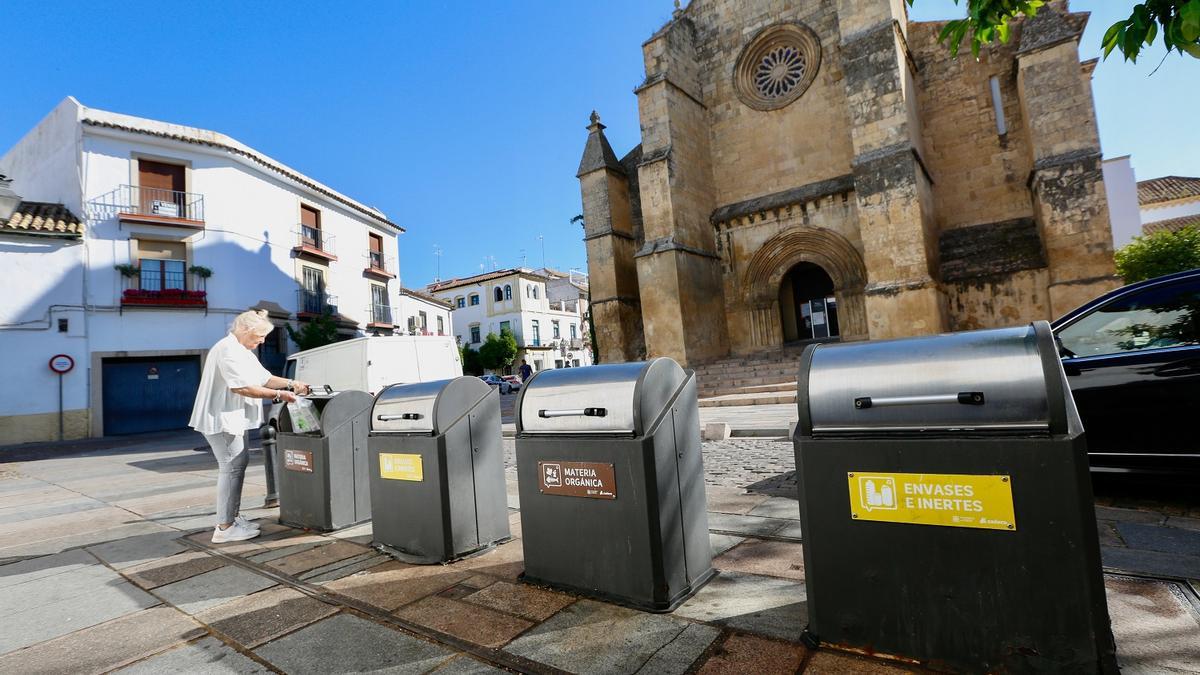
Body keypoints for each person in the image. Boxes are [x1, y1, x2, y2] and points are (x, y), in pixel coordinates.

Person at [189, 309, 312, 543]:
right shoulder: (227, 350)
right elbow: (242, 387)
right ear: (245, 330)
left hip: (231, 418)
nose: (262, 341)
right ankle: (225, 527)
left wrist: (292, 383)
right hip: (221, 418)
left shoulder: (241, 351)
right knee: (231, 467)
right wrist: (280, 394)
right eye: (260, 336)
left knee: (237, 465)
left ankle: (231, 519)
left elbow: (264, 378)